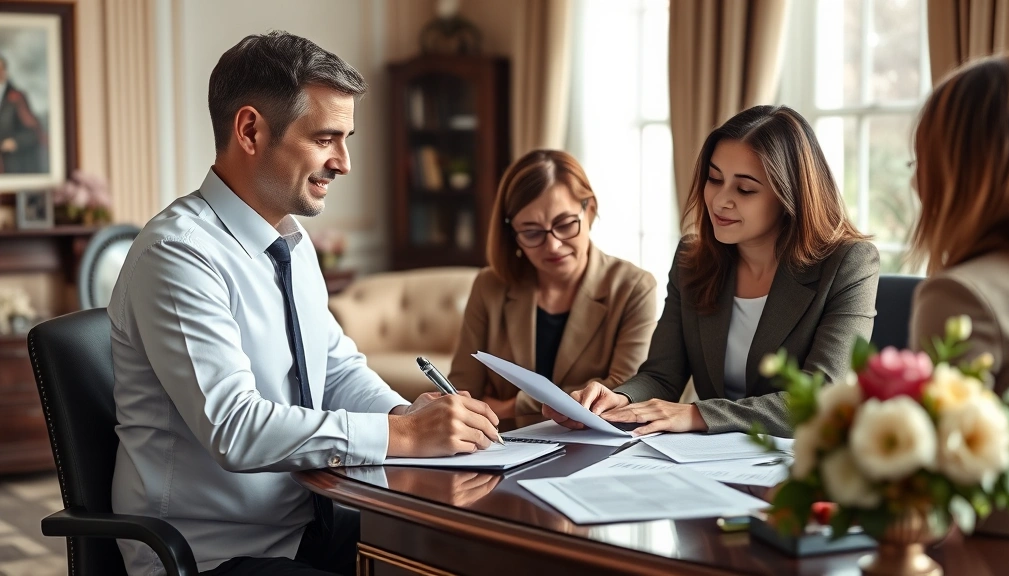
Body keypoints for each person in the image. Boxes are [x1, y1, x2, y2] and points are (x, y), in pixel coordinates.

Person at [108, 31, 501, 576]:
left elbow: (336, 370)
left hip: (308, 526)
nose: (344, 162)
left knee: (472, 555)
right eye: (325, 139)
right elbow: (235, 427)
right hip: (211, 555)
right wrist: (402, 436)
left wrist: (406, 413)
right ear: (250, 130)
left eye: (347, 138)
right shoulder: (178, 255)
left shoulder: (290, 241)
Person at [544, 105, 879, 438]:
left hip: (796, 467)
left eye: (745, 189)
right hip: (706, 462)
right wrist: (619, 398)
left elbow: (819, 401)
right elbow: (662, 375)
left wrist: (698, 414)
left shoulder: (850, 264)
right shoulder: (692, 259)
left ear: (789, 195)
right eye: (714, 179)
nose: (720, 200)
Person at [447, 150, 658, 427]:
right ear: (513, 234)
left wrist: (513, 405)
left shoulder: (633, 287)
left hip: (594, 447)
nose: (553, 245)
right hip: (502, 447)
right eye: (532, 232)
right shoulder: (490, 286)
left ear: (590, 210)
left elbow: (624, 390)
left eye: (565, 224)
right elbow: (463, 390)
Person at [909, 53, 1009, 394]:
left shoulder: (962, 296)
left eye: (922, 161)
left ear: (955, 172)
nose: (915, 183)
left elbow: (945, 446)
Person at [0, 55, 43, 174]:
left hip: (10, 167)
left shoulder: (16, 98)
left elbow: (33, 133)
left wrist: (15, 142)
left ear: (4, 72)